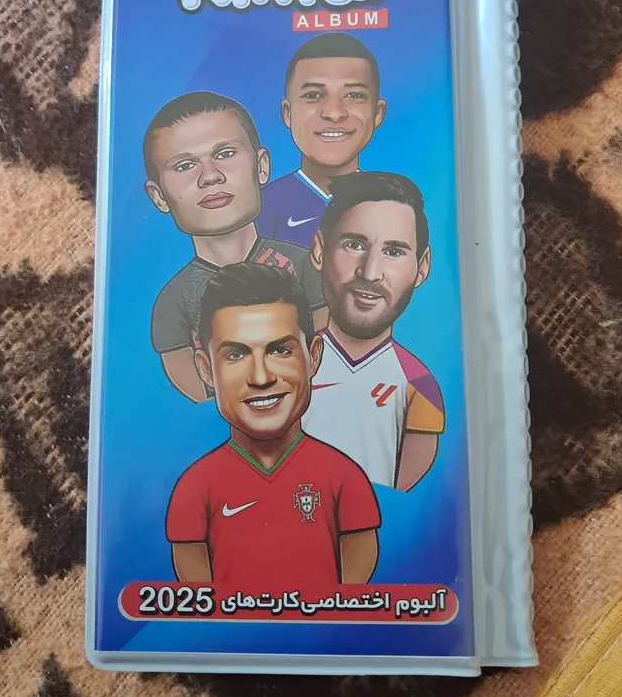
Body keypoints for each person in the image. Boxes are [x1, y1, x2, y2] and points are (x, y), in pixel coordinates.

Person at [165, 263, 381, 591]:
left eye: (280, 350)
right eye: (236, 355)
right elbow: (195, 580)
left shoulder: (342, 476)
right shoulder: (195, 486)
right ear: (206, 370)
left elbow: (358, 555)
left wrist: (329, 612)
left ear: (313, 356)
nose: (261, 377)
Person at [143, 91, 326, 401]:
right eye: (185, 165)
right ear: (159, 196)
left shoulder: (305, 267)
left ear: (261, 167)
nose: (210, 176)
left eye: (225, 153)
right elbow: (200, 400)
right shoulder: (173, 303)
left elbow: (323, 366)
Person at [303, 171, 445, 491]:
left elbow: (401, 491)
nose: (370, 273)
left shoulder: (419, 385)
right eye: (354, 245)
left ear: (422, 267)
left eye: (393, 251)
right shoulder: (283, 366)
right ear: (319, 250)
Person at [257, 33, 386, 248]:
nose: (334, 113)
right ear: (287, 113)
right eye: (313, 95)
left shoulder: (393, 208)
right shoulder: (261, 208)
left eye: (354, 95)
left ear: (378, 113)